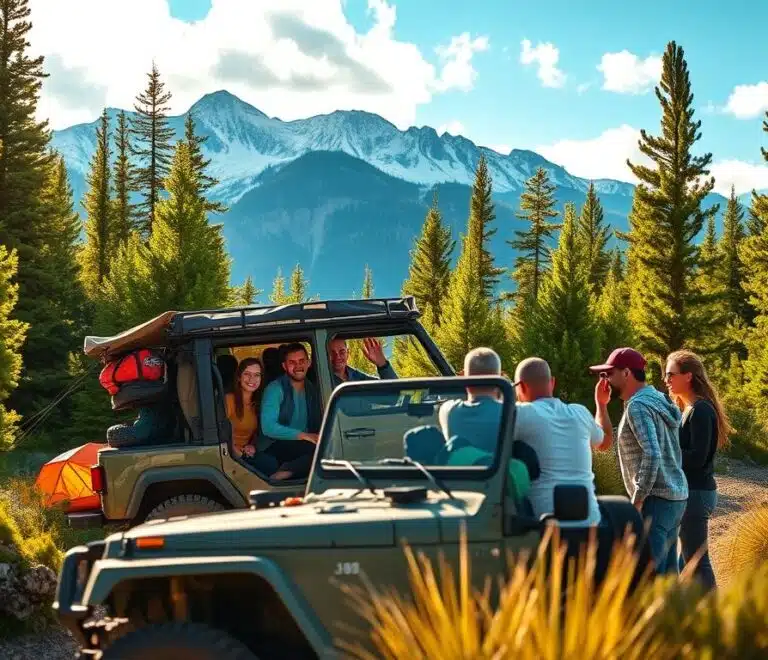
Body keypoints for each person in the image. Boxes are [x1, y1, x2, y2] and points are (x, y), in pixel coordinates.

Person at [589, 347, 688, 573]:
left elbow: (652, 453)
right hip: (676, 496)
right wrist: (601, 405)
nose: (604, 380)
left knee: (649, 576)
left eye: (608, 373)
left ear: (626, 373)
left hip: (655, 500)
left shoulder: (638, 407)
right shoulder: (659, 399)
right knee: (668, 575)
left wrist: (637, 499)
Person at [512, 357, 612, 527]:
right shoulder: (580, 413)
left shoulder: (521, 414)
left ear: (520, 387)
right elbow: (606, 441)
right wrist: (601, 405)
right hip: (589, 524)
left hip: (544, 527)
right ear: (552, 382)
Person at [666, 349, 731, 590]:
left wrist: (666, 453)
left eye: (671, 374)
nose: (666, 380)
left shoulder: (701, 410)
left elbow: (697, 457)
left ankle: (714, 618)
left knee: (697, 561)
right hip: (693, 492)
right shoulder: (691, 409)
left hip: (697, 494)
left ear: (689, 376)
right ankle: (691, 614)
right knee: (688, 562)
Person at [258, 343, 322, 480]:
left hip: (301, 445)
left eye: (302, 361)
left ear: (309, 363)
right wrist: (303, 435)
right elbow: (268, 428)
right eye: (292, 362)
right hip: (275, 445)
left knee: (328, 446)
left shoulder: (312, 389)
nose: (298, 366)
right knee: (319, 450)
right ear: (284, 366)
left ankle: (289, 471)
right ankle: (281, 475)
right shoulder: (275, 389)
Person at [438, 347, 503, 453]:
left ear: (464, 378)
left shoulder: (448, 410)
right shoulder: (511, 412)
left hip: (465, 469)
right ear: (500, 377)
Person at [224, 357, 263, 459]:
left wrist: (252, 445)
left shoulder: (258, 403)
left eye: (257, 375)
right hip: (229, 455)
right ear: (238, 377)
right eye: (247, 374)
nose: (252, 379)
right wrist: (239, 454)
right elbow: (219, 435)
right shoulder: (229, 400)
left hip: (247, 451)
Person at [329, 336, 397, 386]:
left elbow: (394, 394)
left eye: (342, 352)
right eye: (331, 353)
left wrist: (382, 364)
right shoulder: (321, 381)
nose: (337, 357)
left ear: (348, 353)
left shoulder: (357, 377)